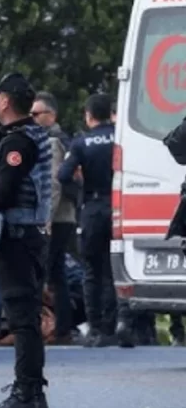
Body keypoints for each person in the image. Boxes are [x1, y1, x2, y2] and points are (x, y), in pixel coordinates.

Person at [0, 72, 51, 408]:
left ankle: (27, 392)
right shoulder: (30, 136)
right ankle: (32, 390)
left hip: (16, 240)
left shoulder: (17, 143)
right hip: (27, 237)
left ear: (4, 102)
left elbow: (2, 194)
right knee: (25, 317)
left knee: (22, 319)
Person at [58, 93, 118, 348]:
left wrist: (81, 189)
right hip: (119, 206)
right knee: (114, 270)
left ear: (88, 115)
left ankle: (95, 329)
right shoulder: (120, 138)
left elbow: (63, 175)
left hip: (92, 207)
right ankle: (115, 327)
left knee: (92, 270)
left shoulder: (81, 142)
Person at [31, 92, 79, 344]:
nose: (32, 118)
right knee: (56, 271)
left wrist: (45, 218)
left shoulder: (52, 142)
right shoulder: (63, 139)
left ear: (51, 115)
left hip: (56, 217)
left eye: (36, 113)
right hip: (65, 214)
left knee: (49, 272)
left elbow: (53, 183)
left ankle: (57, 329)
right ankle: (62, 328)